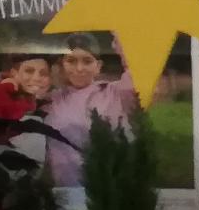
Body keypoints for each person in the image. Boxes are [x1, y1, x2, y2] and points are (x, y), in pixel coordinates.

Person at [44, 35, 138, 189]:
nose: (79, 68)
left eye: (87, 61)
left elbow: (138, 73)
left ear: (98, 66)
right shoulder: (51, 100)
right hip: (63, 192)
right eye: (71, 61)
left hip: (108, 191)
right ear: (62, 64)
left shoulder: (115, 92)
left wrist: (122, 41)